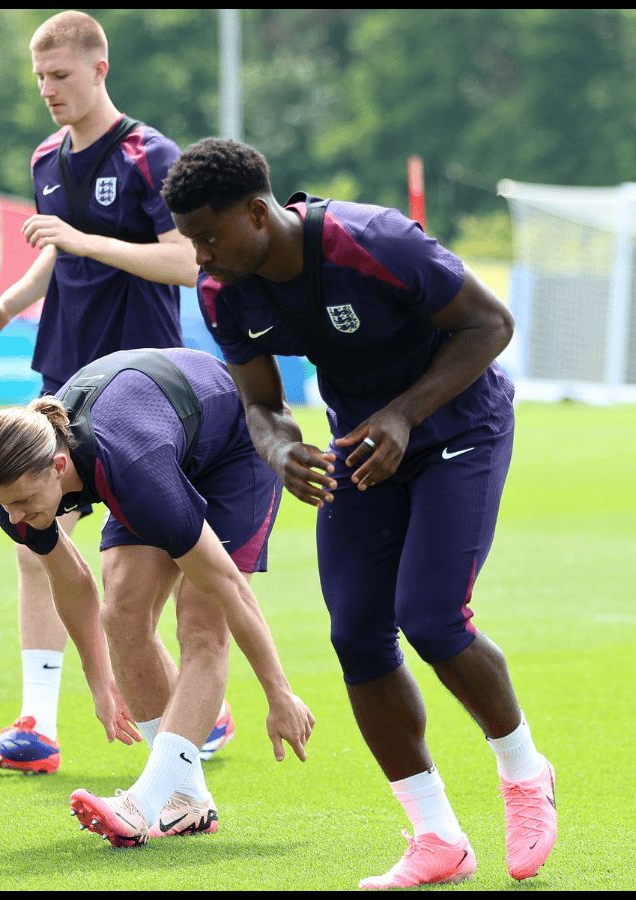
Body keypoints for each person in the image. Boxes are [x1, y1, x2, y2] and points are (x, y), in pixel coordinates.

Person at [161, 139, 557, 886]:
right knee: (356, 635)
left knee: (432, 619)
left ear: (257, 213)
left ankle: (524, 773)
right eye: (190, 240)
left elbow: (490, 324)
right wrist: (280, 451)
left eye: (209, 237)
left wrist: (404, 414)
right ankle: (436, 838)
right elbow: (261, 404)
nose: (200, 257)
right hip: (365, 443)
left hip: (460, 428)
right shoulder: (222, 290)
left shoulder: (371, 241)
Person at [0, 11, 231, 774]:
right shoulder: (46, 157)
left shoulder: (150, 155)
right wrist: (7, 304)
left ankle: (198, 703)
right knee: (33, 537)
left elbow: (186, 262)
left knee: (154, 569)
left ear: (99, 70)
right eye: (39, 78)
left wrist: (84, 242)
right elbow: (56, 250)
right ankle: (37, 725)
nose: (48, 90)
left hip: (143, 393)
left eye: (61, 76)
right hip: (63, 383)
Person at [0, 347, 313, 847]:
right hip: (162, 443)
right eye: (4, 505)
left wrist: (279, 693)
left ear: (59, 465)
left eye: (22, 502)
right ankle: (188, 802)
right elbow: (73, 583)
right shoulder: (12, 495)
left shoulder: (132, 470)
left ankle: (143, 804)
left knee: (201, 626)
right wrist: (99, 681)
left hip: (234, 449)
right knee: (123, 615)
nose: (15, 518)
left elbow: (231, 591)